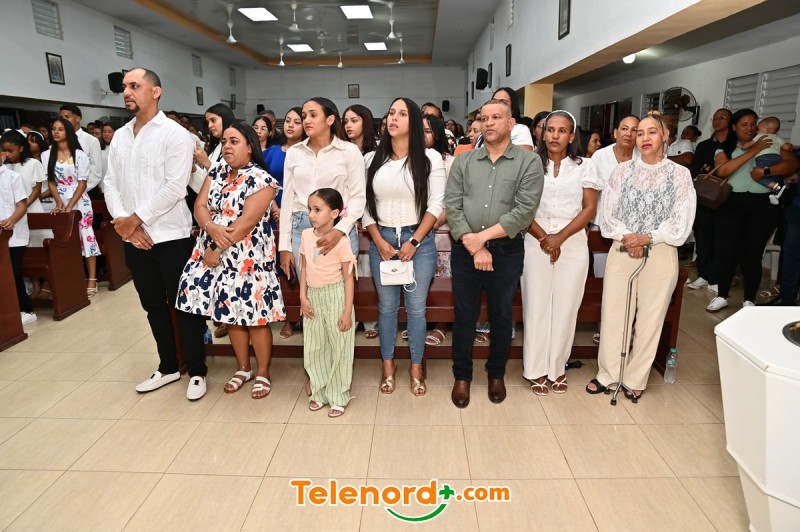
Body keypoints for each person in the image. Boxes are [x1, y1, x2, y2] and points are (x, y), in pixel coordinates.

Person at [103, 67, 208, 400]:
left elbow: (175, 187)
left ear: (155, 91)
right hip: (134, 238)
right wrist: (124, 223)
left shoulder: (175, 134)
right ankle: (168, 367)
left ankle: (197, 370)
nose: (127, 92)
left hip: (171, 236)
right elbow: (110, 182)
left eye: (134, 86)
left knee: (184, 306)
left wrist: (134, 220)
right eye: (125, 87)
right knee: (152, 305)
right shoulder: (121, 136)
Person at [586, 111, 696, 401]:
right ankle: (608, 374)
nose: (644, 138)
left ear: (666, 136)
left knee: (650, 317)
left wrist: (648, 237)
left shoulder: (680, 174)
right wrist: (629, 237)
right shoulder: (621, 172)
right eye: (640, 133)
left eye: (652, 132)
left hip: (662, 251)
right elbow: (607, 215)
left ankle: (636, 378)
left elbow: (681, 220)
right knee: (614, 314)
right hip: (622, 248)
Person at [445, 99, 543, 408]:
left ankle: (496, 373)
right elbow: (453, 206)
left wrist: (482, 241)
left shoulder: (529, 162)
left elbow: (524, 212)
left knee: (502, 315)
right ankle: (462, 376)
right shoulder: (463, 161)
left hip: (507, 251)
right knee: (465, 315)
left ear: (511, 123)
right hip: (465, 251)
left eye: (496, 117)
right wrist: (473, 244)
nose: (488, 123)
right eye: (484, 118)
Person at [177, 122, 285, 399]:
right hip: (214, 248)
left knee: (255, 316)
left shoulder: (262, 179)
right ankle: (243, 368)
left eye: (234, 141)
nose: (226, 146)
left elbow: (246, 222)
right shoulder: (217, 172)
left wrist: (215, 246)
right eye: (224, 141)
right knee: (231, 313)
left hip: (247, 256)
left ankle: (263, 372)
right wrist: (210, 228)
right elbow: (200, 205)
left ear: (250, 146)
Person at [363, 98, 445, 397]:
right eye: (391, 113)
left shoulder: (430, 158)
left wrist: (414, 241)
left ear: (414, 122)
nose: (393, 118)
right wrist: (378, 240)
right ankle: (388, 366)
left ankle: (416, 367)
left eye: (402, 114)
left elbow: (436, 204)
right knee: (386, 309)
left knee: (416, 309)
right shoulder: (371, 159)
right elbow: (365, 206)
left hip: (418, 241)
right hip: (382, 240)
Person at [521, 111, 601, 395]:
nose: (555, 135)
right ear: (542, 134)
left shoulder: (586, 166)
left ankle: (557, 368)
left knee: (566, 307)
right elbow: (521, 207)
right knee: (536, 305)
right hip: (535, 239)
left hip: (573, 241)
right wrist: (545, 238)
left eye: (562, 130)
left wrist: (560, 238)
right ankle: (535, 369)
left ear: (571, 136)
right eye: (550, 129)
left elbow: (589, 208)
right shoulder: (530, 164)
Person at [706, 109, 798, 312]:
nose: (749, 128)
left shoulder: (770, 141)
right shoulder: (725, 148)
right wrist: (754, 150)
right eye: (744, 124)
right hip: (731, 203)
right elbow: (723, 170)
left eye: (753, 124)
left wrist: (766, 171)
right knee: (727, 251)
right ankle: (722, 295)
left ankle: (749, 300)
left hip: (763, 206)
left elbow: (791, 164)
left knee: (753, 254)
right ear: (734, 127)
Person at [279, 97, 365, 284]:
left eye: (313, 115)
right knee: (309, 292)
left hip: (339, 226)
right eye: (304, 116)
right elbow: (287, 199)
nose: (307, 121)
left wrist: (339, 230)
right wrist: (284, 246)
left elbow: (358, 197)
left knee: (340, 293)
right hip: (301, 227)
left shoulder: (349, 151)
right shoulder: (294, 152)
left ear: (330, 120)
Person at [300, 188, 357, 418]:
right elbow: (304, 267)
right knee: (315, 347)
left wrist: (347, 312)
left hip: (336, 296)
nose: (311, 215)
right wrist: (303, 297)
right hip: (313, 296)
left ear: (334, 213)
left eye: (317, 210)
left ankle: (338, 395)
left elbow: (348, 278)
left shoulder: (341, 241)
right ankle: (319, 392)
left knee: (339, 347)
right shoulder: (306, 235)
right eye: (309, 209)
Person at [190, 103, 237, 339]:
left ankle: (230, 318)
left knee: (229, 274)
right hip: (213, 216)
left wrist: (206, 163)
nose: (209, 126)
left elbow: (230, 179)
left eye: (213, 120)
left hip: (231, 219)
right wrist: (193, 170)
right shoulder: (216, 146)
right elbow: (207, 187)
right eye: (207, 121)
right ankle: (222, 316)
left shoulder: (233, 144)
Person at [41, 117, 101, 297]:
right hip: (58, 198)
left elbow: (82, 183)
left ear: (68, 131)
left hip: (79, 199)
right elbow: (51, 182)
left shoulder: (79, 155)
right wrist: (60, 203)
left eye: (60, 129)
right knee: (61, 239)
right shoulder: (47, 155)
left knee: (85, 236)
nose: (56, 132)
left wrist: (70, 206)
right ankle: (69, 278)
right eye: (53, 129)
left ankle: (92, 279)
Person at [264, 107, 305, 340]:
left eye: (296, 122)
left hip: (299, 214)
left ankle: (305, 312)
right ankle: (289, 317)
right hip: (273, 212)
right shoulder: (271, 152)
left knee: (300, 265)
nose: (290, 125)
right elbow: (265, 183)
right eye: (287, 120)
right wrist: (275, 208)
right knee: (282, 266)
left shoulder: (306, 152)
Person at [686, 109, 734, 293]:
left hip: (725, 199)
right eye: (715, 118)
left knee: (720, 240)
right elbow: (694, 170)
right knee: (703, 238)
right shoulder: (704, 145)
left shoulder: (734, 145)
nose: (717, 120)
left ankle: (716, 278)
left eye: (722, 117)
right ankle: (703, 274)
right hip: (704, 198)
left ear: (731, 122)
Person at [343, 104, 379, 341]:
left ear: (365, 122)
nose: (348, 125)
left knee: (366, 274)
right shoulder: (341, 150)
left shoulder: (377, 152)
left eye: (354, 120)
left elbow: (372, 190)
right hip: (345, 218)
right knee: (347, 272)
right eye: (346, 121)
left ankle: (369, 319)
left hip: (368, 219)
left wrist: (363, 217)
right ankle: (350, 316)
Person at [424, 112, 455, 347]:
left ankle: (441, 323)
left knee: (442, 279)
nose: (422, 136)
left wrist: (433, 222)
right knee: (420, 279)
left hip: (442, 227)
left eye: (427, 131)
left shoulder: (450, 162)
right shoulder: (409, 159)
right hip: (416, 229)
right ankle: (421, 321)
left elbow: (455, 198)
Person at [1, 130, 50, 250]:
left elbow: (36, 191)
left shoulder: (33, 163)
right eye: (4, 151)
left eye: (10, 151)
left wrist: (22, 206)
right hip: (11, 212)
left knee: (37, 244)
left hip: (31, 207)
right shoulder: (4, 167)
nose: (7, 154)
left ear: (21, 148)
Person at [0, 163, 35, 324]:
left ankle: (26, 310)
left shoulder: (13, 177)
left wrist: (11, 221)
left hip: (14, 235)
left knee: (13, 272)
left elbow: (22, 205)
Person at [742, 116, 790, 204]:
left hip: (764, 158)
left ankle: (777, 187)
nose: (756, 131)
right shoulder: (777, 138)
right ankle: (776, 194)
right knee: (773, 176)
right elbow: (787, 147)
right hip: (777, 159)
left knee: (756, 175)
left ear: (768, 129)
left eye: (758, 129)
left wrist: (742, 146)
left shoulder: (761, 136)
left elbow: (748, 145)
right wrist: (791, 146)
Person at [59, 104, 103, 196]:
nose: (63, 121)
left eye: (67, 117)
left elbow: (96, 172)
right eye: (61, 118)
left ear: (78, 119)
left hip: (86, 191)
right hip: (63, 192)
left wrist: (79, 190)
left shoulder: (91, 140)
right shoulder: (59, 140)